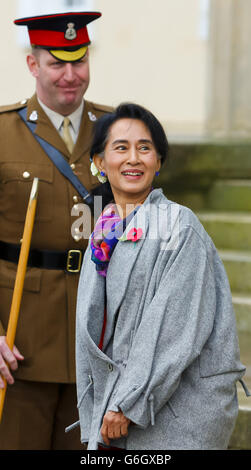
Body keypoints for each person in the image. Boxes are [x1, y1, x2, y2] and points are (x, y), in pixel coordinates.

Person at [75, 102, 248, 450]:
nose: (134, 158)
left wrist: (128, 401)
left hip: (173, 413)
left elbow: (172, 328)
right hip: (118, 407)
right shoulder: (103, 228)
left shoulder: (180, 227)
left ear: (159, 162)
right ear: (99, 163)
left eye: (145, 148)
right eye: (121, 147)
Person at [0, 11, 113, 450]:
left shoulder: (117, 133)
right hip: (20, 342)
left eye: (79, 61)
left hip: (97, 340)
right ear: (33, 64)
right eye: (57, 63)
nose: (71, 75)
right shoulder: (4, 133)